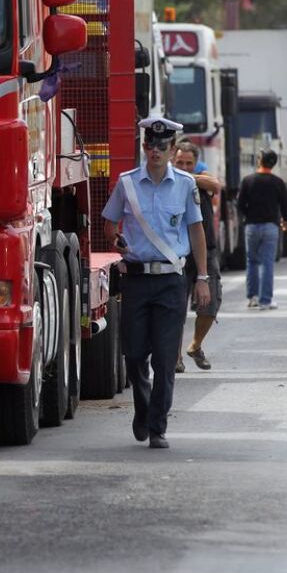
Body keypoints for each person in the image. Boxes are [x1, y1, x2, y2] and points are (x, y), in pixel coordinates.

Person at [102, 117, 210, 449]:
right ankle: (143, 406)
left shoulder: (186, 184)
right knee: (134, 355)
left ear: (172, 148)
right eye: (150, 146)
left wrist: (202, 277)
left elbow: (196, 231)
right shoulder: (127, 183)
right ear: (145, 146)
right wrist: (115, 240)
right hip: (136, 280)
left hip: (170, 281)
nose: (156, 152)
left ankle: (157, 426)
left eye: (163, 147)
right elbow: (108, 222)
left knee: (165, 359)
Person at [173, 141, 222, 372]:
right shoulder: (167, 183)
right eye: (179, 163)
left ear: (196, 164)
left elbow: (216, 184)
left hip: (206, 251)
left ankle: (195, 345)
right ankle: (175, 357)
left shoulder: (199, 180)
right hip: (178, 253)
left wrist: (190, 177)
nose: (183, 167)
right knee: (175, 309)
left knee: (209, 304)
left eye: (188, 163)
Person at [237, 149, 287, 310]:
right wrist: (284, 221)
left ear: (259, 160)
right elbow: (285, 206)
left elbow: (240, 205)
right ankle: (266, 300)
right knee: (268, 263)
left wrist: (248, 216)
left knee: (252, 261)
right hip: (271, 227)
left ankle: (252, 297)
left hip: (252, 226)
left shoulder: (248, 181)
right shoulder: (278, 182)